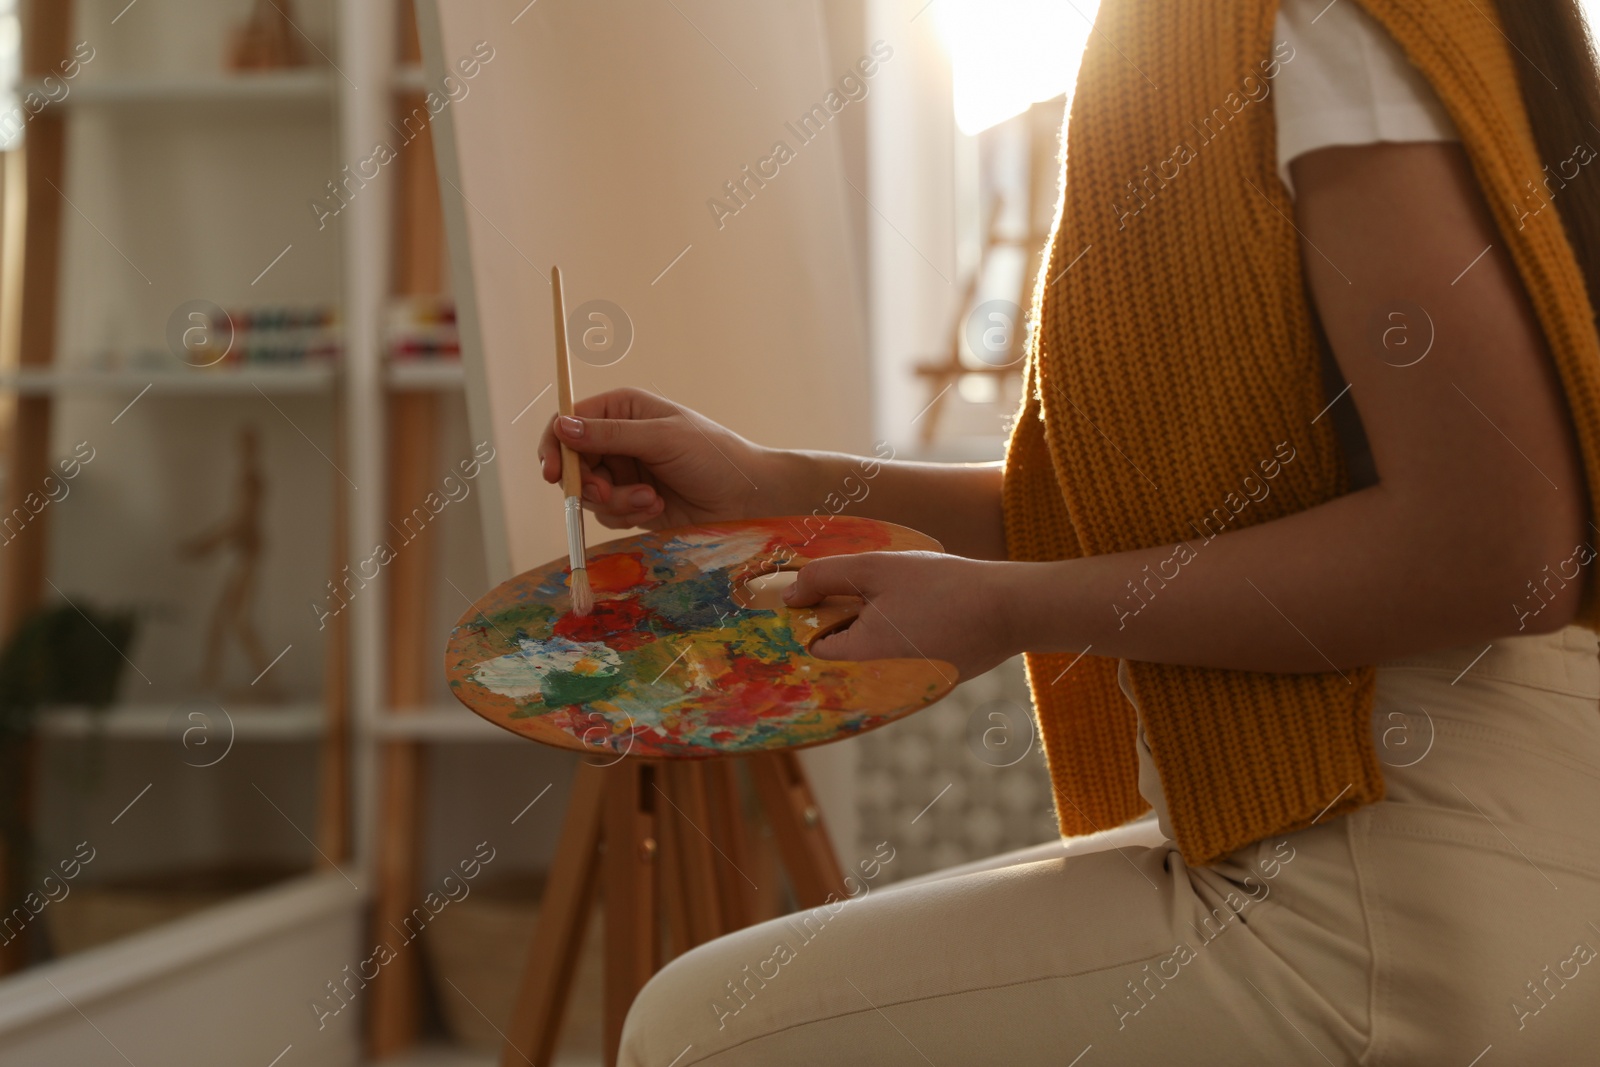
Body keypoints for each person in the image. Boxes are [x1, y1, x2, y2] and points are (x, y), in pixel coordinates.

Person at [541, 0, 1600, 1062]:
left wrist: (1007, 607)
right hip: (1399, 825)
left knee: (696, 1032)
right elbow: (1125, 516)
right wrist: (776, 487)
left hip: (1413, 873)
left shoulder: (1305, 25)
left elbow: (1501, 547)